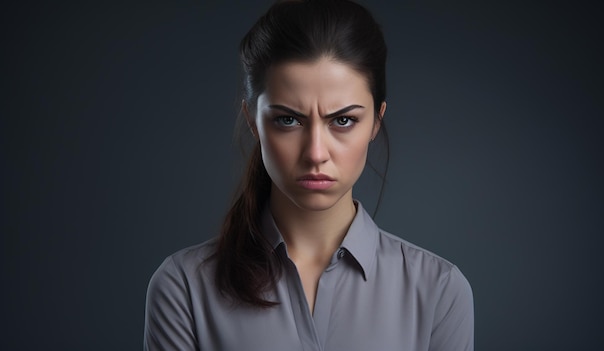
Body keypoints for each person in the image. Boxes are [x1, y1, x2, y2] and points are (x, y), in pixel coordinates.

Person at [143, 0, 474, 350]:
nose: (316, 152)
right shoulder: (183, 288)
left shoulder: (439, 291)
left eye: (343, 120)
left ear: (377, 120)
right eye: (288, 120)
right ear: (253, 121)